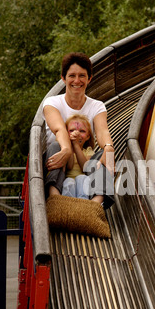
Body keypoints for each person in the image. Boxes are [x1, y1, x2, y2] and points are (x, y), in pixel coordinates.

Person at [42, 52, 114, 208]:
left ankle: (95, 205)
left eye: (82, 76)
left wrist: (108, 147)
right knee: (56, 146)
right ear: (63, 78)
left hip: (84, 169)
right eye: (71, 76)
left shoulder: (97, 106)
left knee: (103, 154)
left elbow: (102, 131)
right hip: (59, 164)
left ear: (89, 79)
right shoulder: (52, 103)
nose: (76, 80)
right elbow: (59, 129)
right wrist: (67, 149)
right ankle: (55, 197)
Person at [62, 114, 94, 200]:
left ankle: (83, 205)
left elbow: (85, 167)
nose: (76, 133)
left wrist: (76, 145)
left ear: (88, 137)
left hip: (83, 183)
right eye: (71, 130)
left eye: (82, 131)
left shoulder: (88, 151)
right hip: (68, 181)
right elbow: (69, 166)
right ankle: (67, 206)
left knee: (82, 178)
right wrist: (70, 146)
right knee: (69, 182)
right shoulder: (65, 149)